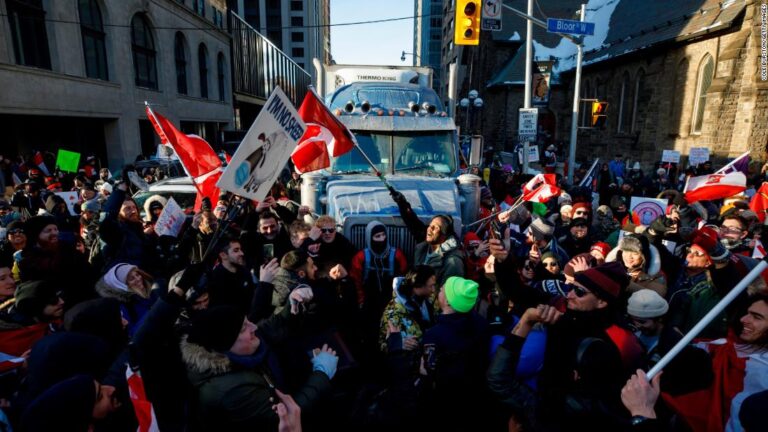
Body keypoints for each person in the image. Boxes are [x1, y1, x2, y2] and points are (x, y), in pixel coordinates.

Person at [180, 292, 337, 430]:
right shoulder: (233, 392)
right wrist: (321, 373)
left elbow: (269, 327)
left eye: (248, 321)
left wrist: (293, 301)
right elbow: (287, 419)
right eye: (243, 328)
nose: (253, 327)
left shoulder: (240, 349)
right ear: (225, 346)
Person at [349, 221, 408, 313]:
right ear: (370, 238)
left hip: (392, 301)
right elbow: (356, 281)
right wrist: (361, 301)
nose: (382, 239)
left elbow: (404, 278)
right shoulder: (361, 257)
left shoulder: (397, 255)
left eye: (384, 235)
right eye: (377, 236)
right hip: (368, 301)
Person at [378, 265, 436, 353]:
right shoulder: (393, 312)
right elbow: (382, 344)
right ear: (418, 286)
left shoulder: (430, 299)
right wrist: (399, 344)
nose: (433, 290)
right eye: (431, 286)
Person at [95, 263, 156, 337]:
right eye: (131, 278)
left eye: (137, 274)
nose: (138, 279)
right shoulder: (122, 307)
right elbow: (132, 333)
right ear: (122, 285)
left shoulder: (151, 289)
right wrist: (155, 312)